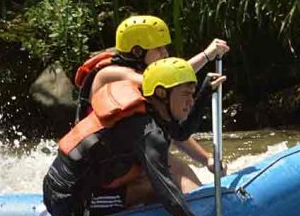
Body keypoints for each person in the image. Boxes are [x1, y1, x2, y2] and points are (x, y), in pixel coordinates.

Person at [43, 57, 226, 216]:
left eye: (193, 94)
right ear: (162, 93)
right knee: (154, 187)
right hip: (68, 200)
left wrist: (205, 92)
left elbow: (179, 132)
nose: (190, 101)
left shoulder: (152, 108)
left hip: (69, 184)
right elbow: (166, 191)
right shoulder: (146, 130)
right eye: (185, 95)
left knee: (157, 177)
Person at [73, 15, 230, 188]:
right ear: (137, 52)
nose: (165, 54)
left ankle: (198, 200)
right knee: (174, 167)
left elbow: (170, 129)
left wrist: (206, 158)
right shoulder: (110, 74)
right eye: (159, 49)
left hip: (129, 154)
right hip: (103, 164)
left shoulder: (150, 92)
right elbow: (169, 78)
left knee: (176, 165)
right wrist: (206, 56)